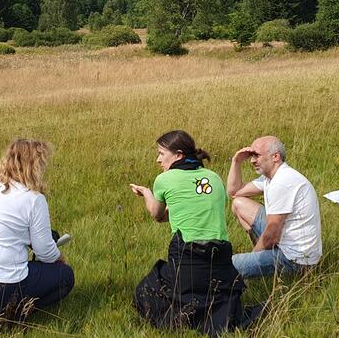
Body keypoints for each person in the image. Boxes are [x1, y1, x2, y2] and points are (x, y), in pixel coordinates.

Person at [129, 130, 255, 336]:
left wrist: (146, 192)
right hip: (221, 261)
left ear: (178, 155)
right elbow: (194, 207)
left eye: (161, 153)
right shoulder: (213, 177)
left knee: (145, 290)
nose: (158, 159)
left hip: (188, 258)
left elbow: (157, 214)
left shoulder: (165, 179)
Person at [0, 139, 75, 323]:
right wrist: (60, 260)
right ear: (34, 166)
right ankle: (12, 315)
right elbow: (45, 252)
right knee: (65, 276)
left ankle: (1, 309)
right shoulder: (34, 199)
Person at [226, 136, 322, 279]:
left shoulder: (281, 183)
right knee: (239, 204)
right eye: (251, 156)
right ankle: (264, 255)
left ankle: (268, 262)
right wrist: (236, 161)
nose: (252, 160)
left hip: (296, 260)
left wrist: (252, 259)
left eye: (257, 155)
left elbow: (272, 236)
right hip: (286, 243)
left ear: (275, 156)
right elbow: (234, 192)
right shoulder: (270, 178)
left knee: (225, 267)